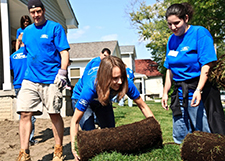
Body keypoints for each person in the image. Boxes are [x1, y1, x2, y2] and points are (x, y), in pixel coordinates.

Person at [161, 2, 225, 145]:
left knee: (203, 134)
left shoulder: (199, 33)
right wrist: (165, 92)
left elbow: (206, 65)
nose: (173, 28)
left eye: (176, 23)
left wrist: (198, 90)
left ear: (186, 18)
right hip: (179, 91)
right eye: (169, 24)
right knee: (180, 135)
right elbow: (169, 68)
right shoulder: (171, 40)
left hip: (197, 88)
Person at [70, 56, 155, 160]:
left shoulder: (126, 83)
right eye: (115, 78)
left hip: (103, 99)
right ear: (105, 77)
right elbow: (75, 121)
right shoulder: (90, 87)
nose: (119, 82)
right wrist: (74, 147)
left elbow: (143, 106)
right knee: (90, 139)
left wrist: (155, 127)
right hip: (81, 98)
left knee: (111, 135)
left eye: (121, 77)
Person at [16, 0, 70, 160]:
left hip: (51, 78)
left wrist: (62, 72)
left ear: (44, 10)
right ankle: (24, 153)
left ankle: (58, 149)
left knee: (54, 113)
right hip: (30, 79)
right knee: (25, 113)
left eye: (38, 11)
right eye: (32, 12)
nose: (36, 15)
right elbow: (25, 53)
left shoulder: (55, 28)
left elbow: (64, 52)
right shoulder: (27, 32)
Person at [10, 34, 38, 146]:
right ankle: (29, 139)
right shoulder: (29, 54)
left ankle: (24, 138)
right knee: (31, 114)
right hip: (28, 84)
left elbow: (11, 71)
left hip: (17, 85)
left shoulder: (12, 56)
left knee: (22, 113)